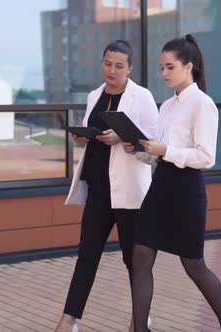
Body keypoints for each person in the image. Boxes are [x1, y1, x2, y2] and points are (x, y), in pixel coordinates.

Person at [124, 35, 221, 332]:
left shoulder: (203, 104)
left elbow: (205, 157)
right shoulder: (167, 106)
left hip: (187, 191)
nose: (163, 74)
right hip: (160, 186)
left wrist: (164, 150)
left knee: (193, 266)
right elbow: (161, 155)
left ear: (188, 66)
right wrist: (140, 150)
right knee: (140, 258)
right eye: (161, 67)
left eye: (169, 67)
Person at [55, 40, 159, 332]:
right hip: (99, 190)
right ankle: (69, 319)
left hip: (130, 194)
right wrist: (84, 138)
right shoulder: (93, 96)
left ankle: (141, 318)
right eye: (107, 63)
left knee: (133, 261)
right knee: (87, 255)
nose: (112, 70)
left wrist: (125, 139)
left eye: (119, 65)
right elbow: (94, 137)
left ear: (130, 68)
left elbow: (153, 150)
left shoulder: (142, 97)